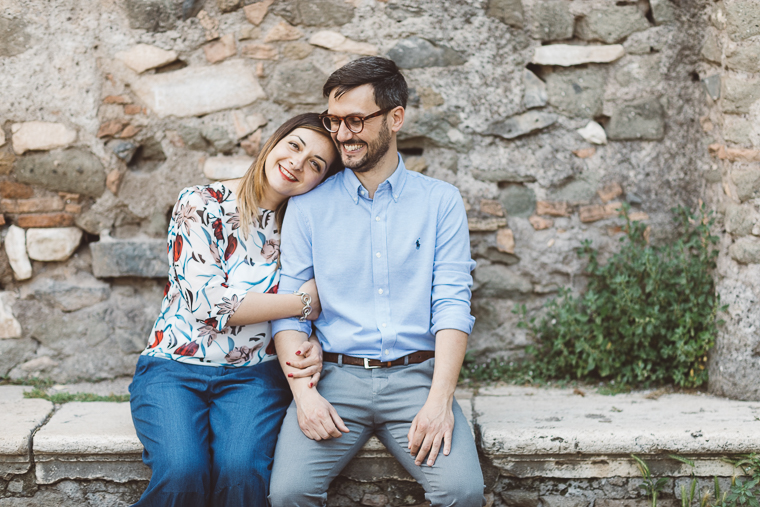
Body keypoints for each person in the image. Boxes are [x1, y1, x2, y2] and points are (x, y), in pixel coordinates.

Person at [269, 57, 485, 506]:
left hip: (416, 380)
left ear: (395, 118)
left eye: (355, 120)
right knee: (288, 493)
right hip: (334, 380)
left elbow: (451, 304)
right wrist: (303, 396)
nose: (342, 134)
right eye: (334, 121)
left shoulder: (441, 202)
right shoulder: (308, 206)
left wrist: (440, 399)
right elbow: (289, 306)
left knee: (463, 492)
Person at [128, 113, 342, 507]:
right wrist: (304, 302)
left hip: (254, 377)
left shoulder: (304, 226)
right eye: (294, 145)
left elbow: (335, 303)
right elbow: (208, 304)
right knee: (181, 472)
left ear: (321, 180)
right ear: (273, 143)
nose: (298, 163)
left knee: (243, 472)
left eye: (316, 164)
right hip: (173, 369)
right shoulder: (200, 203)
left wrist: (315, 341)